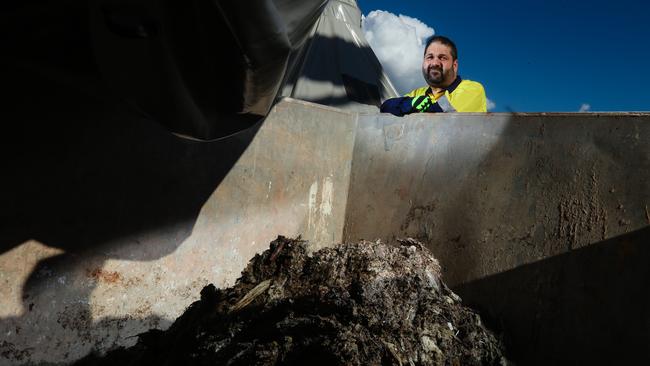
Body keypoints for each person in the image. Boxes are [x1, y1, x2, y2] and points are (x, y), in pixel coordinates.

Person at [380, 35, 487, 116]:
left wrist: (412, 106)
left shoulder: (473, 89)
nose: (435, 63)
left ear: (454, 65)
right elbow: (386, 107)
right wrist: (411, 103)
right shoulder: (418, 92)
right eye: (430, 57)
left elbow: (448, 120)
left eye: (442, 58)